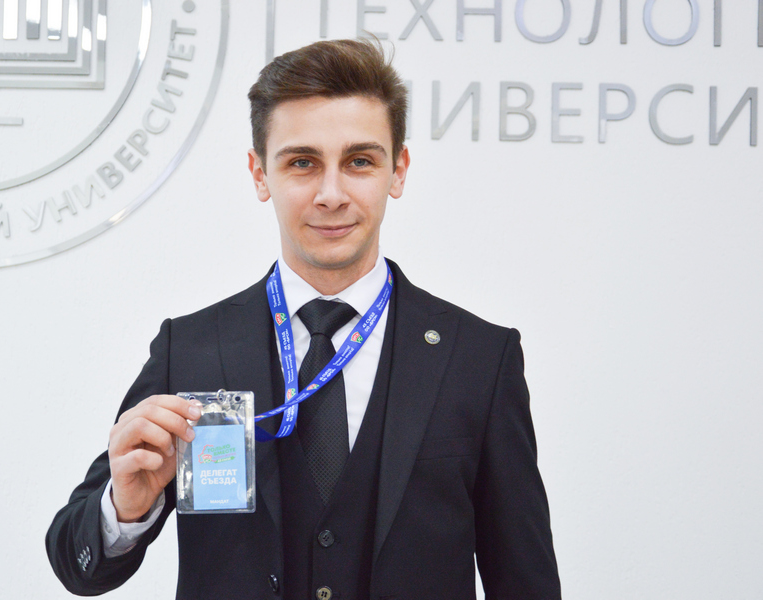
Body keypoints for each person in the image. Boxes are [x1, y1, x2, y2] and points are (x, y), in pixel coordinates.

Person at [46, 39, 561, 600]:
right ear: (259, 174)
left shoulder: (479, 358)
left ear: (398, 170)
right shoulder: (190, 348)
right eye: (302, 163)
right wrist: (124, 508)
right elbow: (77, 565)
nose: (331, 194)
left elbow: (525, 580)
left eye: (359, 161)